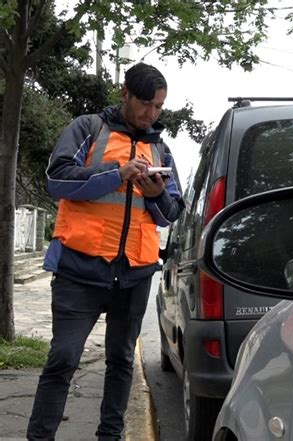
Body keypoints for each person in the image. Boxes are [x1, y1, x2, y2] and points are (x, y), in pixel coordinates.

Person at [27, 62, 185, 440]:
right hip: (79, 270)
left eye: (159, 107)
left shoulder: (160, 147)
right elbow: (57, 179)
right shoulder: (87, 129)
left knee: (120, 362)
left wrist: (155, 193)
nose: (151, 114)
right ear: (124, 93)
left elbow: (171, 214)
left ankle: (109, 437)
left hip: (134, 275)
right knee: (62, 359)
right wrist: (118, 174)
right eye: (146, 103)